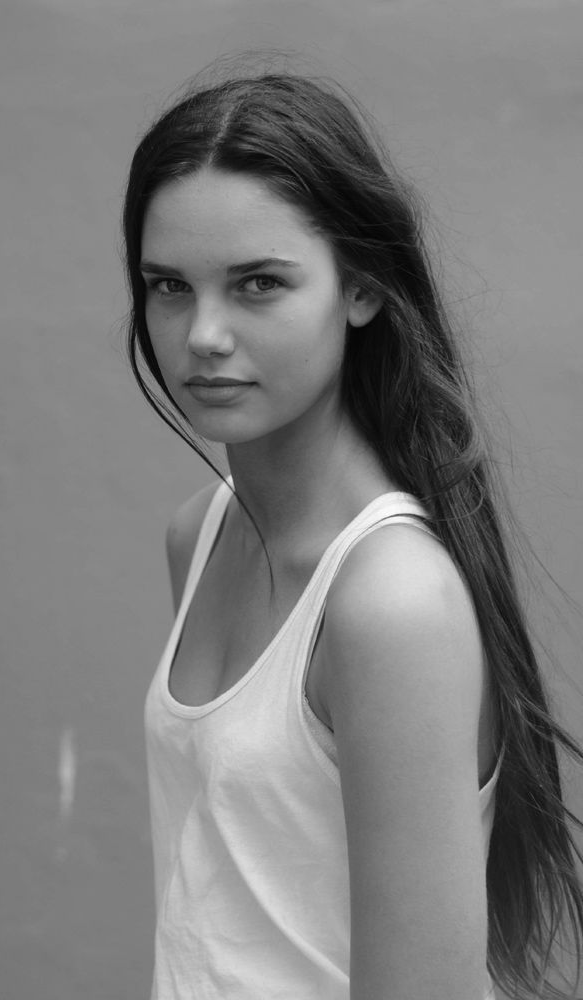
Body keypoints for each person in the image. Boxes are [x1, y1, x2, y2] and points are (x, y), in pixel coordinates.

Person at [122, 65, 583, 1000]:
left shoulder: (388, 603)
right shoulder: (201, 535)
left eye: (258, 284)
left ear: (362, 289)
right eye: (169, 286)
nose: (202, 334)